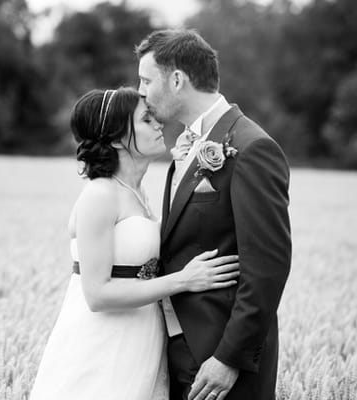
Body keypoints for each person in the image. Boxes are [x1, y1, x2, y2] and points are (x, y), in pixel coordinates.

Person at [29, 87, 240, 400]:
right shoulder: (100, 195)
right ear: (116, 138)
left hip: (140, 338)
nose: (158, 126)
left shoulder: (136, 192)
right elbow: (97, 294)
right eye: (146, 120)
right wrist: (183, 280)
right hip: (101, 344)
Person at [136, 29, 292, 400]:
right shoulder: (188, 144)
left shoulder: (251, 148)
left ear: (177, 80)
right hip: (175, 351)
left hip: (221, 363)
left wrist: (229, 358)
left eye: (146, 80)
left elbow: (268, 266)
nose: (140, 91)